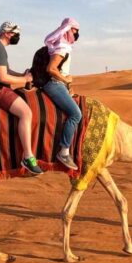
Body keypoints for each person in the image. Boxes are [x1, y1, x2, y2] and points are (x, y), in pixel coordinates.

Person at [0, 21, 43, 175]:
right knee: (26, 113)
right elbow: (2, 77)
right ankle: (28, 157)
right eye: (15, 33)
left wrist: (22, 75)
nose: (17, 36)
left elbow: (6, 70)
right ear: (7, 33)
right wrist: (25, 80)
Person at [42, 18, 82, 170]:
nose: (76, 33)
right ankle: (64, 152)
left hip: (60, 85)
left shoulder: (63, 46)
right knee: (76, 114)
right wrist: (65, 79)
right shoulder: (61, 47)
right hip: (55, 84)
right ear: (67, 29)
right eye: (74, 30)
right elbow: (51, 69)